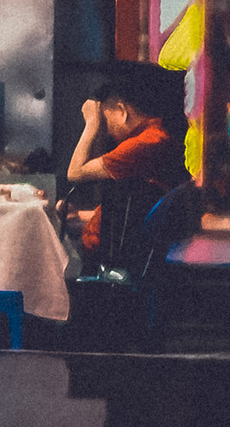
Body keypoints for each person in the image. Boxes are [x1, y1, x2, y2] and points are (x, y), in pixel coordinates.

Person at [64, 70, 185, 275]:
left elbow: (75, 173)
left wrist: (91, 125)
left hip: (103, 259)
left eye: (106, 120)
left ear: (121, 111)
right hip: (108, 246)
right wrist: (80, 217)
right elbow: (131, 210)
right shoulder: (153, 139)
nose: (107, 130)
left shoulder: (147, 142)